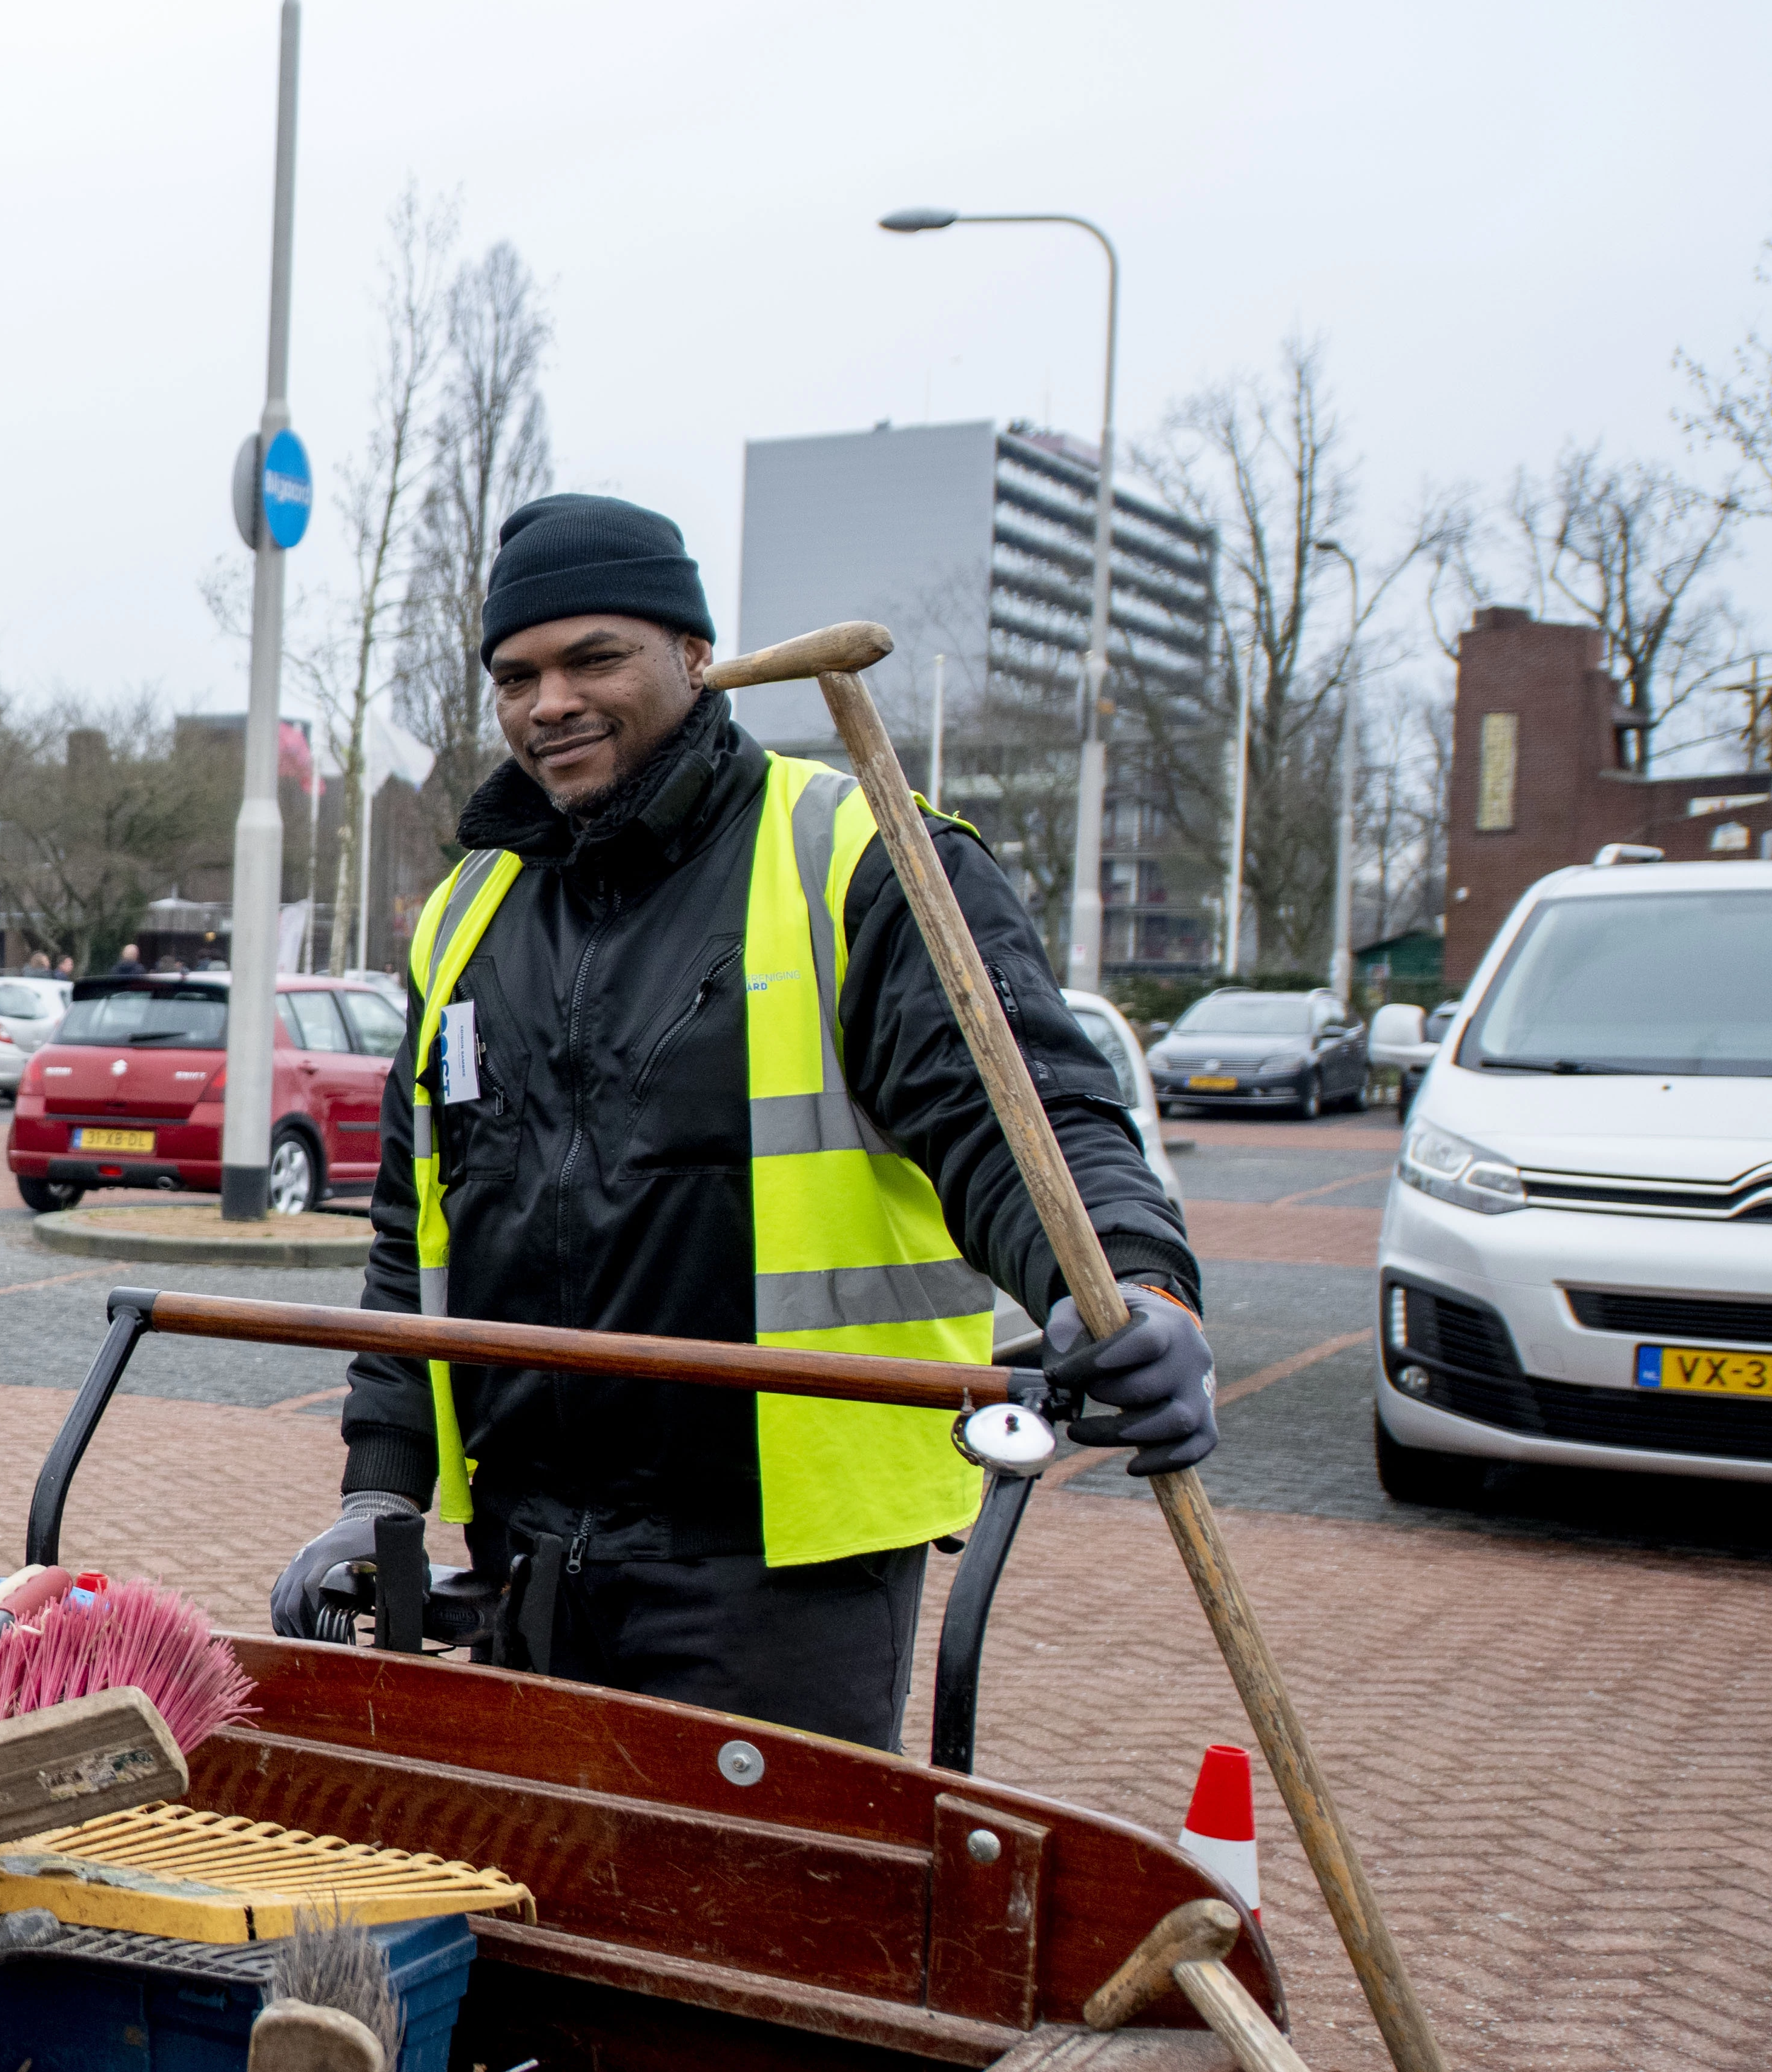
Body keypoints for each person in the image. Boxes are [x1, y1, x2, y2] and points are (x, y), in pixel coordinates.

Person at [268, 495, 1212, 1746]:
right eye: (516, 674)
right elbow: (415, 1236)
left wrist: (1136, 1284)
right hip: (524, 1563)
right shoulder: (465, 913)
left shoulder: (857, 858)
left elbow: (1020, 1119)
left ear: (696, 655)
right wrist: (378, 1490)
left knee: (748, 1933)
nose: (549, 701)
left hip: (780, 1581)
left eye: (593, 657)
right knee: (530, 1930)